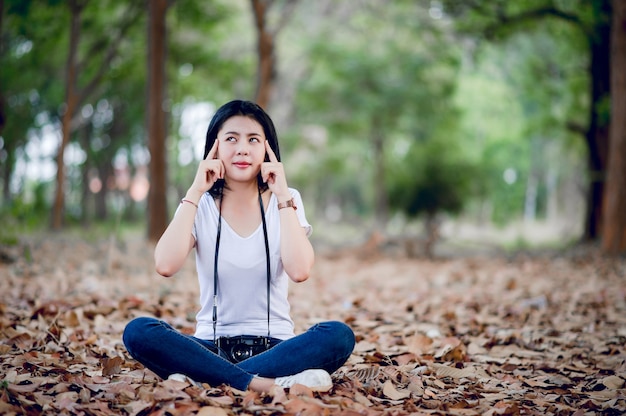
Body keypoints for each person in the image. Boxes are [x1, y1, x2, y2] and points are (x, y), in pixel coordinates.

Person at [123, 100, 355, 393]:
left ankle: (205, 378)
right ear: (215, 147)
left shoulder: (287, 198)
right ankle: (266, 383)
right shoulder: (202, 204)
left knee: (338, 335)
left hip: (276, 347)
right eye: (231, 138)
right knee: (140, 331)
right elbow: (165, 265)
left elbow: (299, 270)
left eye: (253, 140)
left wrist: (282, 195)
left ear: (267, 150)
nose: (242, 149)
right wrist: (195, 190)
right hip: (210, 345)